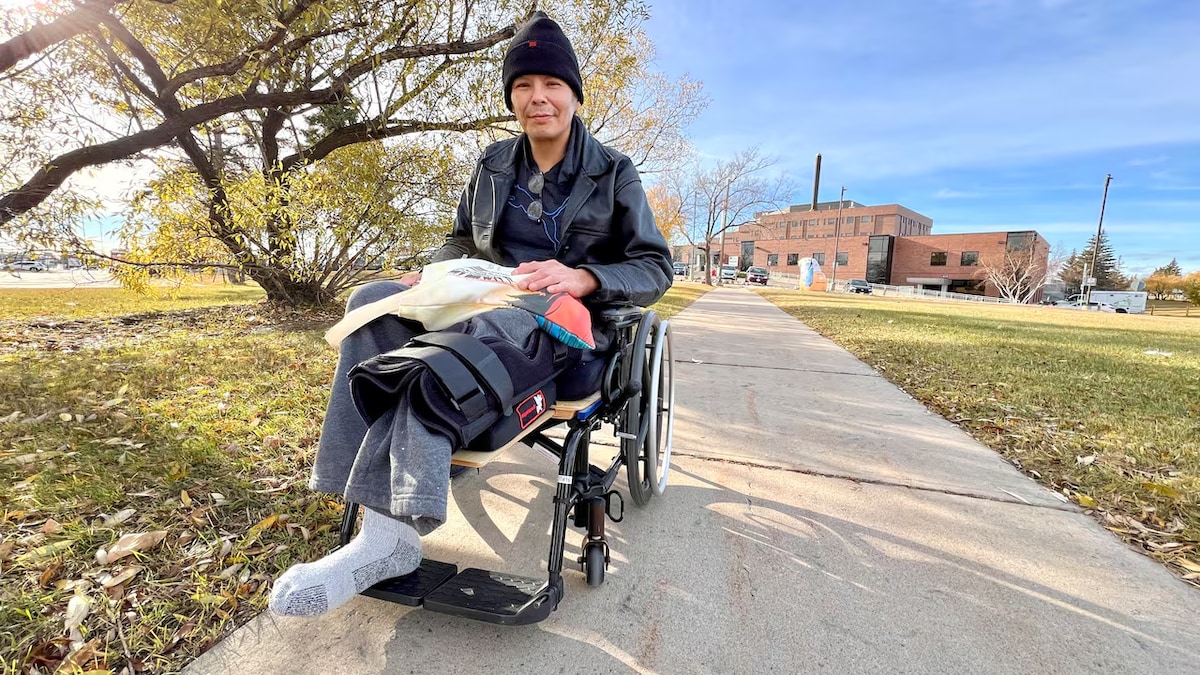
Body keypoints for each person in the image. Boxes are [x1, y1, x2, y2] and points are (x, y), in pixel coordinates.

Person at [268, 11, 673, 617]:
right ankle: (377, 521)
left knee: (488, 331)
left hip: (559, 319)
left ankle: (392, 534)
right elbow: (460, 241)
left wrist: (584, 276)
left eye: (551, 85)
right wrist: (430, 273)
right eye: (523, 87)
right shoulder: (492, 165)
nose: (538, 98)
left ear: (574, 94)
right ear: (512, 98)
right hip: (481, 296)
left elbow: (654, 267)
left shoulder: (613, 171)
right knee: (371, 303)